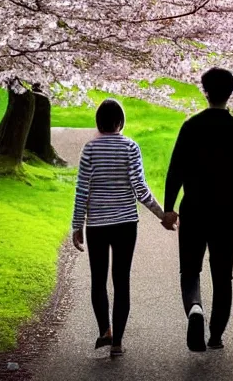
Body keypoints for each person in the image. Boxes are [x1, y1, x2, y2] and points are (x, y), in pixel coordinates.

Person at [162, 68, 233, 352]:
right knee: (222, 276)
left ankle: (195, 310)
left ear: (205, 92)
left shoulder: (191, 126)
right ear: (230, 93)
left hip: (193, 209)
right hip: (226, 215)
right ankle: (215, 336)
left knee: (190, 272)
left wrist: (169, 208)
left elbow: (175, 171)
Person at [72, 98, 167, 358]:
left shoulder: (89, 149)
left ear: (99, 122)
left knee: (98, 280)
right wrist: (162, 215)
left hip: (98, 225)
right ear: (120, 122)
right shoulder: (131, 147)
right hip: (126, 224)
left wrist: (77, 224)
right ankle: (117, 343)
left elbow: (82, 190)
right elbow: (140, 188)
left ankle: (105, 330)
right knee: (121, 280)